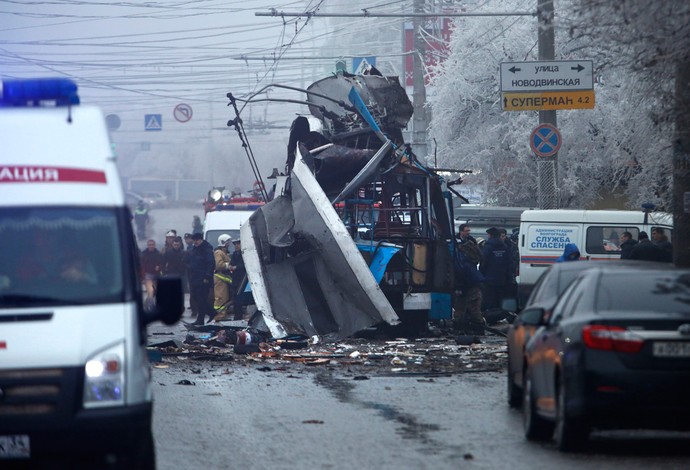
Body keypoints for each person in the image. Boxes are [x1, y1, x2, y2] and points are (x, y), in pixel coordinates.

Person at [453, 243, 485, 334]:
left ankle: (459, 329)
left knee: (460, 309)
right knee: (474, 309)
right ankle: (479, 329)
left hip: (465, 285)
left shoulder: (459, 259)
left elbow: (462, 274)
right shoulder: (468, 259)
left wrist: (459, 288)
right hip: (474, 284)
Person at [480, 227, 513, 311]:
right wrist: (509, 277)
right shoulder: (505, 247)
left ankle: (491, 316)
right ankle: (499, 315)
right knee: (500, 298)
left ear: (490, 235)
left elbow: (483, 261)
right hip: (502, 278)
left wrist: (482, 274)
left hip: (489, 278)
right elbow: (509, 263)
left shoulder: (487, 247)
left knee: (490, 299)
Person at [186, 232, 215, 325]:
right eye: (194, 240)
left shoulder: (206, 249)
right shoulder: (194, 249)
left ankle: (208, 314)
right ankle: (205, 316)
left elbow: (211, 263)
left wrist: (207, 276)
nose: (195, 242)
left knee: (201, 298)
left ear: (201, 239)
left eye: (197, 240)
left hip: (203, 279)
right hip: (195, 277)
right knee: (196, 298)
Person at [212, 234, 233, 322]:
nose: (229, 244)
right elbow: (219, 265)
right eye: (227, 242)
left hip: (224, 279)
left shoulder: (224, 253)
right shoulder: (218, 253)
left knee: (225, 298)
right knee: (220, 298)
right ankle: (219, 316)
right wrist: (229, 265)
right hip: (220, 278)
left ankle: (223, 315)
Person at [140, 239, 163, 307]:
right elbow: (141, 265)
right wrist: (142, 277)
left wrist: (159, 267)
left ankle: (147, 303)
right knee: (150, 291)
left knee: (156, 291)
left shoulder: (158, 253)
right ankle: (151, 306)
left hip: (156, 274)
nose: (151, 246)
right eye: (150, 245)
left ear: (154, 245)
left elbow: (162, 263)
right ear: (147, 245)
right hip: (147, 274)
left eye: (152, 245)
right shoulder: (144, 254)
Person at [229, 238, 246, 321]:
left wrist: (237, 267)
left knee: (240, 298)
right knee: (235, 298)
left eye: (238, 244)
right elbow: (231, 263)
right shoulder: (235, 254)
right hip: (235, 279)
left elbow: (245, 265)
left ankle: (239, 316)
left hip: (243, 279)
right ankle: (237, 316)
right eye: (235, 244)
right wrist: (230, 266)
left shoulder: (245, 253)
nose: (236, 246)